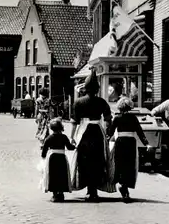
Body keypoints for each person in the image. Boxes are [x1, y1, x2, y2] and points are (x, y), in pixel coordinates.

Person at [70, 69, 116, 201]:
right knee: (98, 160)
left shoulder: (78, 102)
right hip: (97, 133)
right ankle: (94, 190)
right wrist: (108, 133)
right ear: (97, 89)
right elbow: (108, 120)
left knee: (83, 160)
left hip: (84, 133)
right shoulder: (101, 102)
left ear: (85, 88)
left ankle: (88, 188)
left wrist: (72, 137)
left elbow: (74, 121)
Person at [108, 97, 155, 201]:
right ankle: (125, 188)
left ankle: (122, 185)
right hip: (131, 143)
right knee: (130, 165)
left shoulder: (116, 118)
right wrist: (146, 144)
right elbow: (139, 132)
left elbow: (110, 132)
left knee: (120, 164)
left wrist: (107, 142)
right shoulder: (133, 118)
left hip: (120, 142)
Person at [41, 118, 76, 202]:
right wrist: (74, 145)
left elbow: (44, 151)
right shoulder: (64, 137)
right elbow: (69, 147)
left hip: (52, 158)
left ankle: (55, 194)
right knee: (62, 175)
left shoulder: (49, 138)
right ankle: (61, 193)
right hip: (62, 157)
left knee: (53, 176)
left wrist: (43, 157)